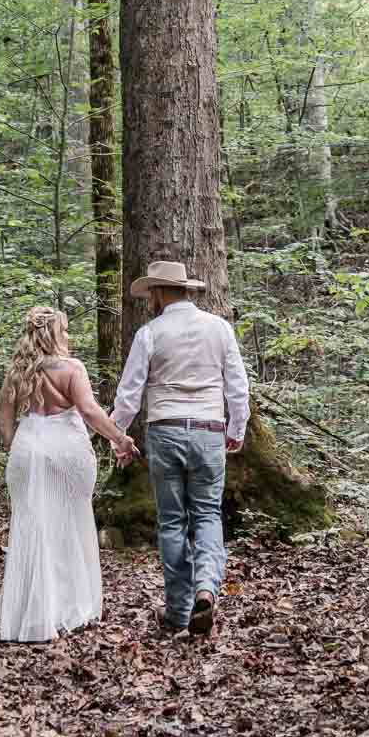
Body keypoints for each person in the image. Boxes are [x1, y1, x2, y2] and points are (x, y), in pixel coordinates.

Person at [110, 259, 250, 638]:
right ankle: (206, 589)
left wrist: (117, 434)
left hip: (165, 430)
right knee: (207, 515)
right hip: (208, 430)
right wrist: (236, 428)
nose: (149, 300)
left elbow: (129, 393)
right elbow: (238, 387)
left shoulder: (150, 333)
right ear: (185, 289)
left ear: (158, 292)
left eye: (151, 294)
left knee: (172, 521)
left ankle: (177, 610)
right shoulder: (219, 328)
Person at [0, 306, 135, 643]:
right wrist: (120, 438)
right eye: (65, 330)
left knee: (32, 527)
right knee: (71, 524)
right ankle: (70, 608)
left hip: (27, 449)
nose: (68, 336)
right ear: (53, 334)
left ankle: (31, 616)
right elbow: (88, 410)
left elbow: (3, 423)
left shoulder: (17, 372)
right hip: (66, 450)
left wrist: (21, 444)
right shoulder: (73, 368)